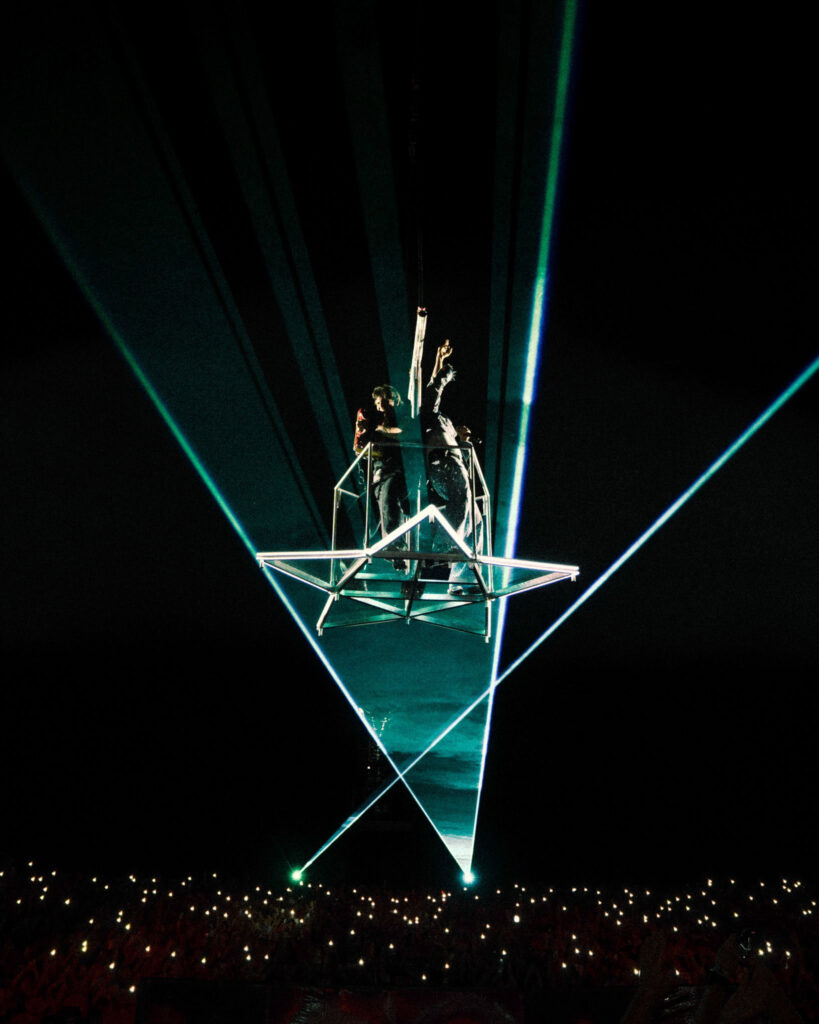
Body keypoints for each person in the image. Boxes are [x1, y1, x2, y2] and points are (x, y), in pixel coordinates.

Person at [422, 341, 481, 593]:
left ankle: (459, 581)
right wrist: (441, 368)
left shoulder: (449, 427)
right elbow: (432, 390)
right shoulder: (431, 416)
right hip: (442, 462)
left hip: (453, 462)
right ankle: (443, 547)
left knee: (476, 518)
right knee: (463, 498)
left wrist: (463, 440)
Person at [357, 384, 410, 570]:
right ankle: (393, 553)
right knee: (382, 510)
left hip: (398, 469)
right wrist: (364, 433)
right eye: (377, 404)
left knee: (389, 498)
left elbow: (405, 432)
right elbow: (364, 450)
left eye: (381, 403)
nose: (379, 408)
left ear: (391, 399)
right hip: (380, 472)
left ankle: (397, 546)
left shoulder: (404, 414)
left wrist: (380, 430)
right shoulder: (379, 422)